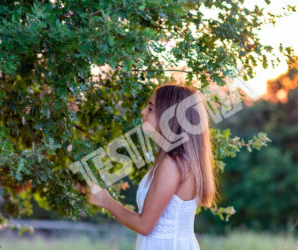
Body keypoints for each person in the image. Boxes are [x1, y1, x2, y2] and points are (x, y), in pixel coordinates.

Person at [80, 83, 218, 250]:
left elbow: (145, 225)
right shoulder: (176, 160)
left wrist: (106, 202)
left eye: (151, 108)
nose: (143, 112)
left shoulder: (173, 164)